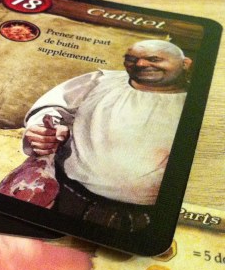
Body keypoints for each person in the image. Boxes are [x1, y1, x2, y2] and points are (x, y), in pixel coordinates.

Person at [22, 39, 192, 231]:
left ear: (185, 64)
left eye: (154, 59)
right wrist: (44, 129)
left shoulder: (196, 106)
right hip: (65, 195)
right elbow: (52, 107)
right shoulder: (100, 80)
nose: (140, 64)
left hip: (139, 218)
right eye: (131, 59)